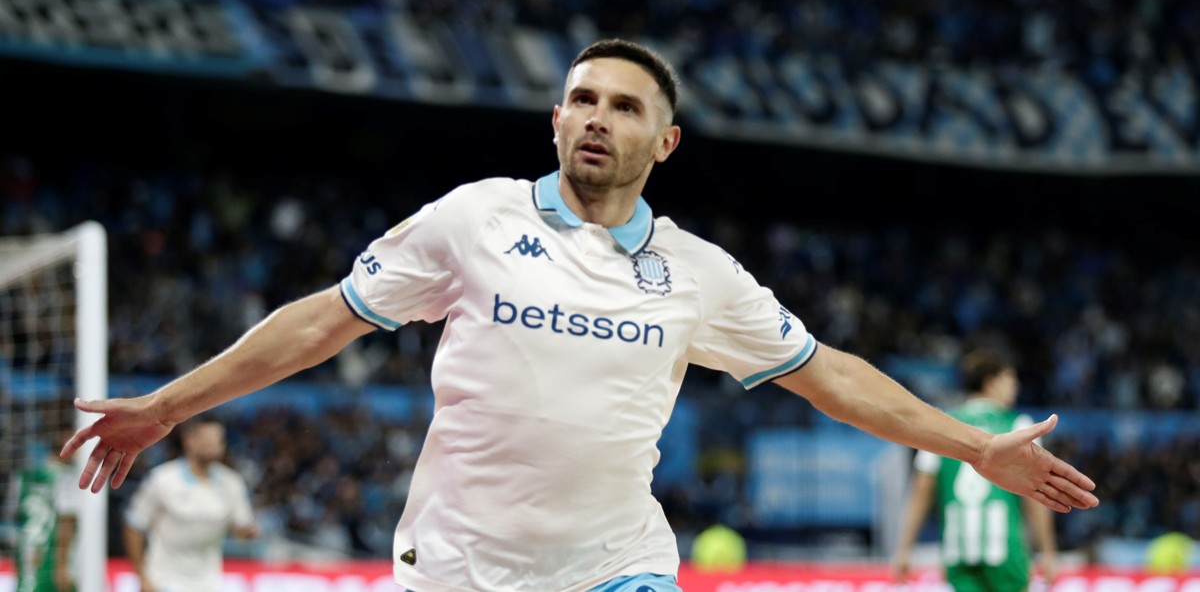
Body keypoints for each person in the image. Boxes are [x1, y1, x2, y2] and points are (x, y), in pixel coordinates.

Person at [60, 38, 1098, 592]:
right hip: (458, 568)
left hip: (617, 567)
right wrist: (166, 406)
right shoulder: (473, 219)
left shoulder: (697, 272)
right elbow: (323, 322)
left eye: (625, 106)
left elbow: (830, 376)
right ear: (556, 120)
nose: (599, 117)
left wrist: (974, 447)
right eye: (584, 100)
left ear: (665, 142)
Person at [892, 349, 1058, 592]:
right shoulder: (1018, 426)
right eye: (1010, 379)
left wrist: (904, 549)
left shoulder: (942, 426)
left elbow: (921, 492)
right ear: (991, 383)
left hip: (957, 549)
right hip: (1005, 549)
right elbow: (1036, 496)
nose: (1016, 386)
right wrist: (1047, 551)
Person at [122, 417, 259, 592]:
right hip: (164, 581)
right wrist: (142, 576)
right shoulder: (162, 479)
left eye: (218, 440)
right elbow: (134, 525)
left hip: (208, 583)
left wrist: (247, 533)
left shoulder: (232, 483)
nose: (214, 445)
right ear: (189, 440)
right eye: (207, 439)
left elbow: (240, 527)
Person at [12, 424, 81, 592]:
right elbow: (66, 521)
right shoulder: (68, 477)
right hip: (55, 558)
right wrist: (62, 566)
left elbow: (15, 514)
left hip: (27, 550)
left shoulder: (24, 477)